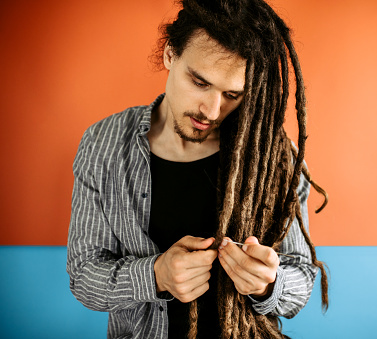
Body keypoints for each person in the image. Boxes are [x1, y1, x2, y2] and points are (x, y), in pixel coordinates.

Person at [67, 0, 328, 338]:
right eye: (200, 82)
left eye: (233, 94)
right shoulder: (104, 143)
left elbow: (301, 282)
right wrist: (156, 275)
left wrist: (268, 283)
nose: (212, 110)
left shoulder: (273, 157)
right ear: (170, 55)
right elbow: (84, 277)